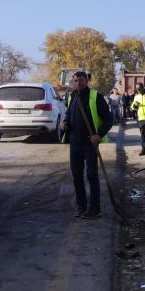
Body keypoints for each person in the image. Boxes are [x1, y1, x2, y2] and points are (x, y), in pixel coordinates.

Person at [60, 71, 113, 219]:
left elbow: (109, 119)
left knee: (91, 176)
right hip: (74, 144)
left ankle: (95, 209)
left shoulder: (96, 96)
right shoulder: (72, 97)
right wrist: (64, 124)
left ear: (87, 81)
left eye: (81, 80)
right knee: (77, 177)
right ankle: (81, 207)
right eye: (75, 81)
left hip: (90, 144)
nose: (78, 83)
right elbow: (69, 115)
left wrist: (99, 134)